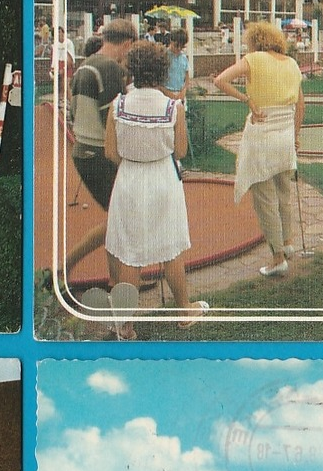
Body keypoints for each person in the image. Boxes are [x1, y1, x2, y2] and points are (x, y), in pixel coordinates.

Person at [102, 41, 205, 336]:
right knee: (170, 246)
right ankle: (184, 310)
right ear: (162, 70)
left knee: (129, 253)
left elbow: (111, 152)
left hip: (130, 179)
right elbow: (181, 151)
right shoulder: (173, 107)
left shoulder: (117, 105)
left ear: (132, 69)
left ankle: (125, 324)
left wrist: (135, 159)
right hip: (162, 179)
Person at [214, 21, 306, 276]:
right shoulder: (291, 63)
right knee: (284, 193)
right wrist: (295, 136)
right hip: (285, 134)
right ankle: (287, 243)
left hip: (262, 133)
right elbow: (301, 107)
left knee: (265, 198)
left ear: (254, 41)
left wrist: (247, 99)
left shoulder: (254, 59)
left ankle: (277, 259)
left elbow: (220, 80)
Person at [62, 20, 138, 285]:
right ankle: (64, 268)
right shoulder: (108, 68)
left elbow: (72, 112)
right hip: (99, 153)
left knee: (117, 219)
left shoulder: (86, 64)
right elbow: (114, 121)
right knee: (122, 221)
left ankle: (115, 280)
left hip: (83, 149)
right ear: (127, 42)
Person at [161, 29, 191, 101]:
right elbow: (158, 81)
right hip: (166, 94)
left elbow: (186, 78)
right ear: (171, 41)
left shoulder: (183, 57)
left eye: (182, 47)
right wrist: (170, 95)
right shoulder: (163, 56)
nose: (179, 49)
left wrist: (183, 92)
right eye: (176, 46)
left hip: (180, 94)